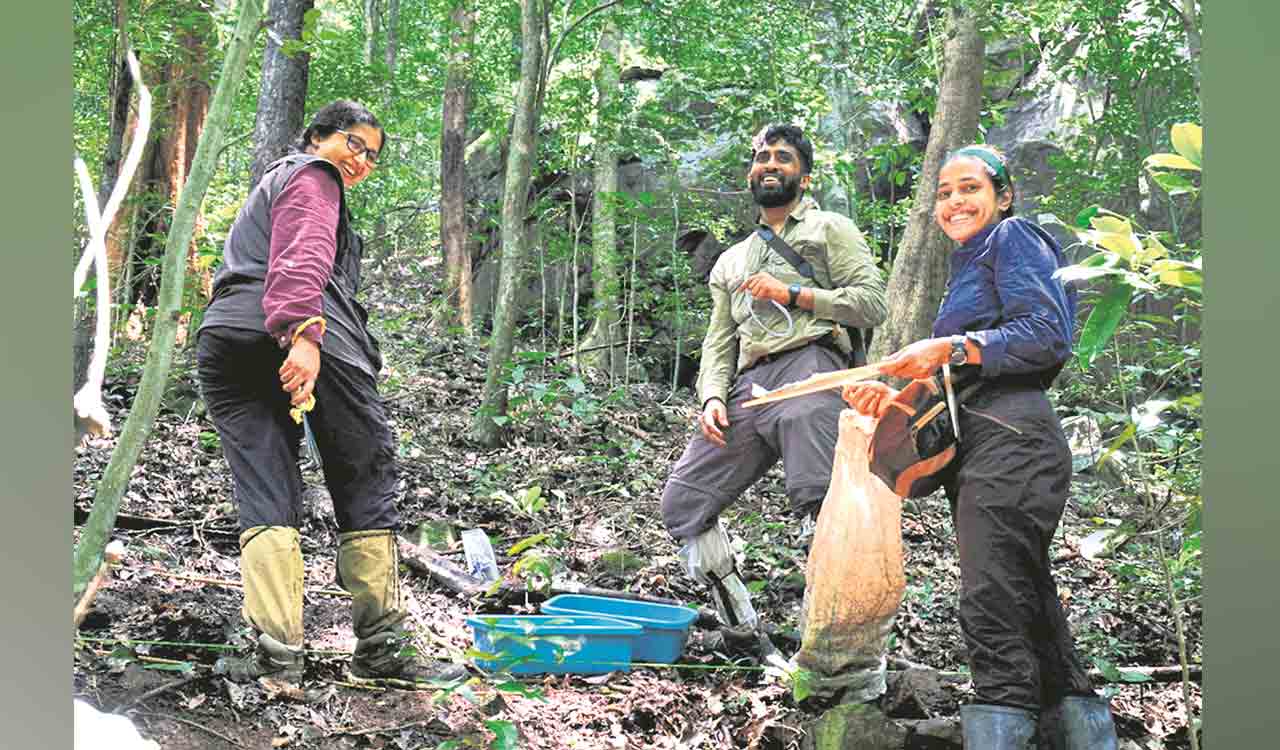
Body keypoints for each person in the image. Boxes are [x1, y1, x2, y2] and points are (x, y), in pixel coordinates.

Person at [843, 144, 1119, 748]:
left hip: (1016, 440)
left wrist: (945, 348)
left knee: (990, 595)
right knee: (1023, 589)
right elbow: (957, 383)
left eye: (968, 188)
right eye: (944, 193)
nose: (954, 202)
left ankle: (1003, 716)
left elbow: (1046, 337)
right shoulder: (967, 268)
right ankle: (1081, 730)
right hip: (987, 442)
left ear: (1004, 196)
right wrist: (889, 399)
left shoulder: (1013, 237)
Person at [196, 100, 467, 689]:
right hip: (307, 333)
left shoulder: (270, 188)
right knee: (365, 473)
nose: (361, 160)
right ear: (317, 136)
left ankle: (275, 658)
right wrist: (303, 333)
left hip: (226, 340)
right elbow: (304, 251)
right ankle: (382, 650)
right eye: (353, 143)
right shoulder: (313, 176)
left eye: (372, 155)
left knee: (266, 486)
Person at [660, 124, 887, 658]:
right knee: (684, 501)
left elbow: (872, 303)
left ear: (803, 176)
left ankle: (835, 643)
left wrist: (794, 293)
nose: (769, 164)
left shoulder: (830, 228)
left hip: (814, 366)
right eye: (762, 157)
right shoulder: (730, 262)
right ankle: (741, 626)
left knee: (819, 499)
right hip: (749, 384)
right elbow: (718, 342)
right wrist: (712, 397)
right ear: (750, 174)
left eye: (783, 157)